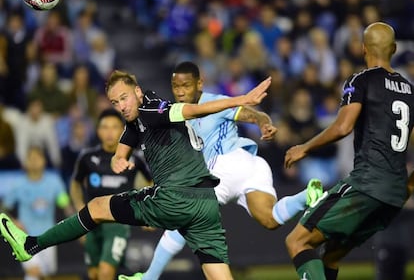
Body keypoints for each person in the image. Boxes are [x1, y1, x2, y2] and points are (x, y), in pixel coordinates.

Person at [0, 69, 273, 280]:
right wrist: (120, 157)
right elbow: (129, 134)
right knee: (218, 274)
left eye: (124, 98)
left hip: (176, 197)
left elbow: (191, 109)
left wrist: (242, 99)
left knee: (96, 206)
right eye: (114, 101)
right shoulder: (139, 115)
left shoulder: (152, 109)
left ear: (138, 92)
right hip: (206, 204)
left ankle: (32, 245)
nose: (120, 105)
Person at [119, 61, 324, 280]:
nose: (180, 92)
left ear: (199, 83)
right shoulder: (175, 111)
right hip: (251, 166)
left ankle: (149, 277)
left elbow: (253, 114)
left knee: (185, 216)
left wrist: (264, 123)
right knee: (270, 219)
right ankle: (307, 196)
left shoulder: (214, 102)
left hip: (226, 163)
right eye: (175, 86)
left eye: (185, 86)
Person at [283, 21, 414, 280]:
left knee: (297, 241)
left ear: (364, 49)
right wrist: (408, 186)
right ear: (394, 49)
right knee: (331, 255)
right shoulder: (409, 90)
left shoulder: (361, 79)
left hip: (366, 184)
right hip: (394, 194)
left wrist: (305, 147)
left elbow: (343, 127)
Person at [70, 108, 152, 280]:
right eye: (104, 127)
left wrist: (148, 211)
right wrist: (79, 208)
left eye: (114, 127)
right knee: (94, 274)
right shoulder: (87, 157)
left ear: (122, 130)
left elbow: (152, 182)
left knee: (106, 272)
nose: (109, 132)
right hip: (91, 221)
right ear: (98, 131)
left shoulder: (134, 157)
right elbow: (75, 184)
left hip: (118, 223)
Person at [0, 146, 73, 280]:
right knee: (33, 273)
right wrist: (13, 221)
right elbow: (3, 208)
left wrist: (78, 225)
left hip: (49, 237)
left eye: (37, 157)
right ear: (25, 162)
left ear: (44, 161)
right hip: (25, 238)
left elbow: (66, 205)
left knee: (45, 274)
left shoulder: (54, 181)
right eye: (30, 158)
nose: (34, 161)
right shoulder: (18, 184)